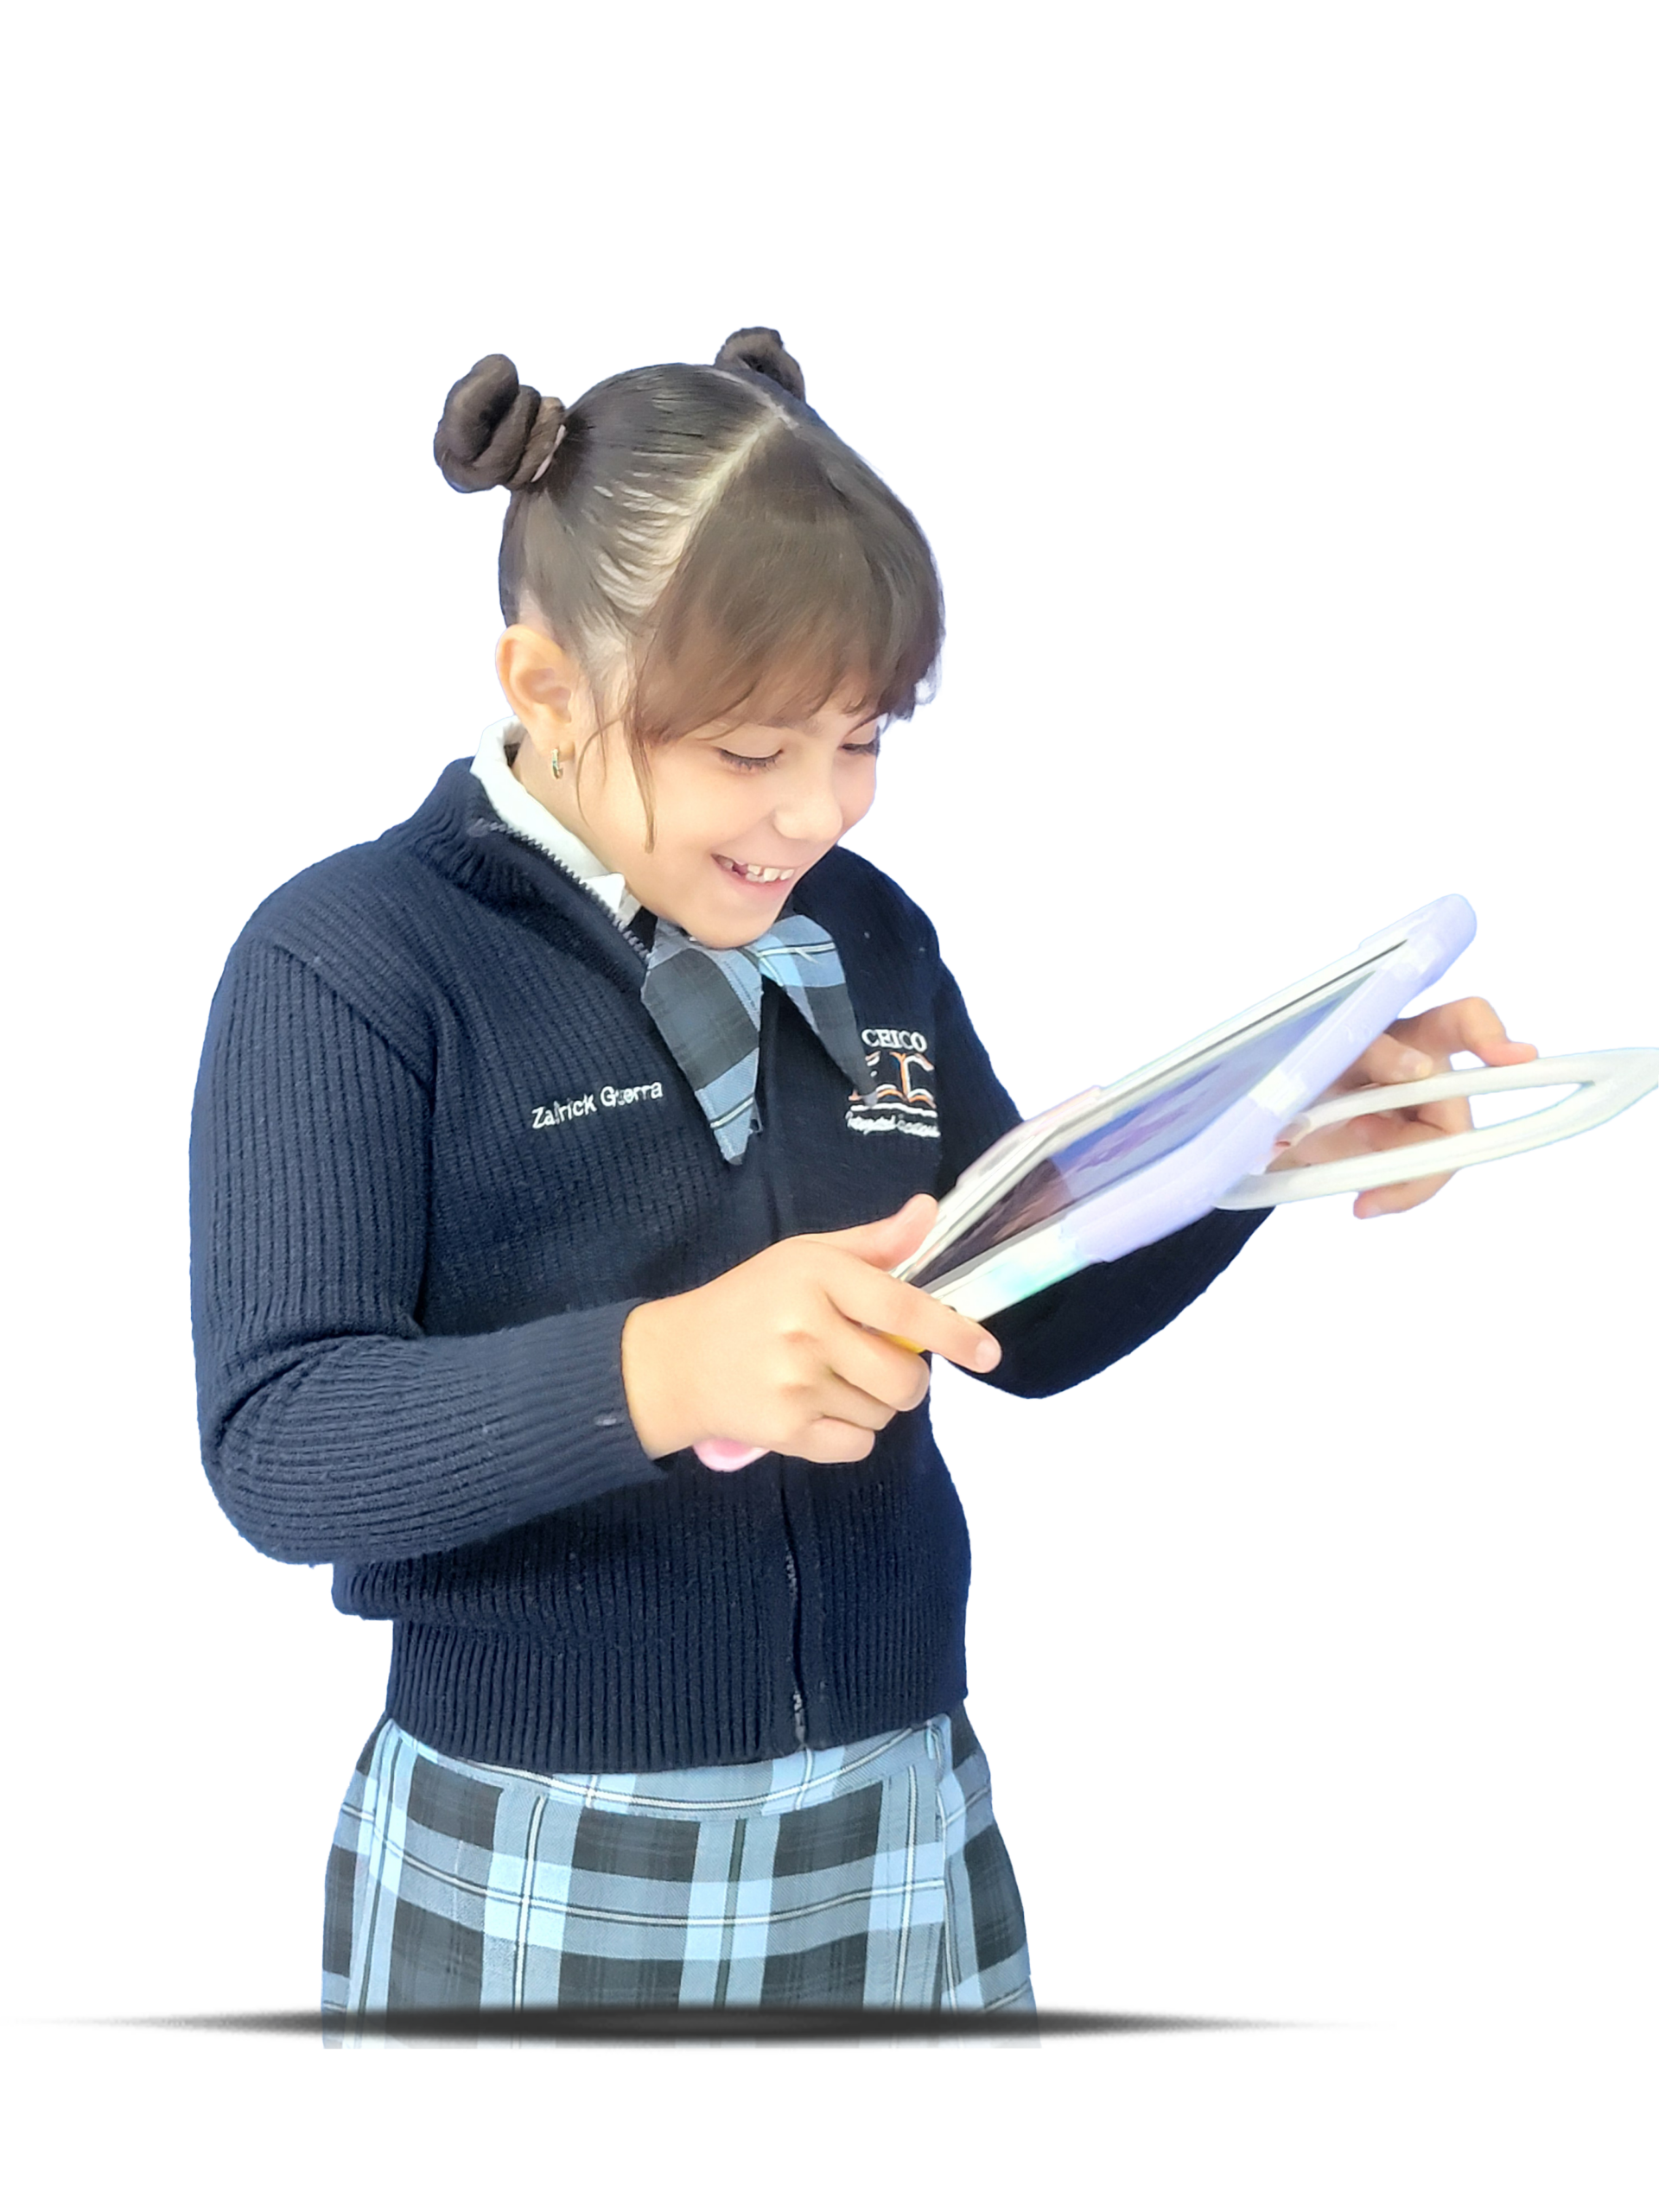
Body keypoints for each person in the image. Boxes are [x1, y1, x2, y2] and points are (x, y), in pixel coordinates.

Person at [188, 327, 1278, 2052]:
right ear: (547, 686)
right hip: (542, 1838)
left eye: (862, 740)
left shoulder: (871, 924)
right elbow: (279, 1444)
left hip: (908, 1806)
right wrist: (669, 1367)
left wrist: (1273, 1142)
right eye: (754, 754)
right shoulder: (349, 957)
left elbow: (1029, 1314)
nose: (823, 812)